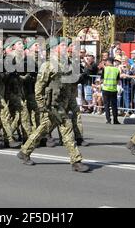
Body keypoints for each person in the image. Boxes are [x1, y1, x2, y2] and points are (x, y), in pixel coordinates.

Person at [17, 38, 90, 172]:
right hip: (52, 104)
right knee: (66, 127)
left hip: (62, 102)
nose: (66, 48)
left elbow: (68, 84)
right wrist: (41, 105)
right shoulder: (49, 65)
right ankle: (76, 161)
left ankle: (25, 151)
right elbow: (39, 87)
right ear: (55, 48)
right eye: (63, 45)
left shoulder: (66, 63)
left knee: (44, 128)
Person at [102, 57, 120, 124]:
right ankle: (115, 120)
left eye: (106, 61)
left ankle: (108, 120)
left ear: (109, 62)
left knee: (106, 105)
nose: (105, 63)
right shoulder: (116, 70)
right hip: (113, 89)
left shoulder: (105, 69)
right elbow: (118, 81)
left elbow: (102, 79)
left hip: (106, 89)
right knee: (114, 105)